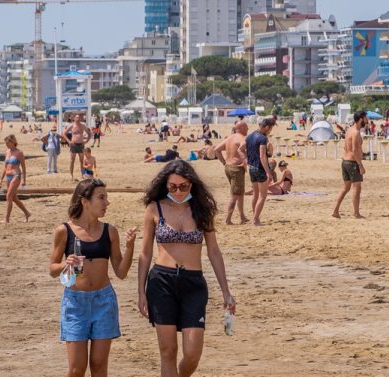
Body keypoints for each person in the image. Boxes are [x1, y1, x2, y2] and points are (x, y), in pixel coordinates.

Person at [137, 160, 236, 377]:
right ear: (165, 186)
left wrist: (226, 292)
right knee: (168, 351)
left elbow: (214, 252)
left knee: (192, 353)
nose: (178, 191)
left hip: (193, 284)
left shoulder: (202, 210)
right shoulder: (155, 209)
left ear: (191, 185)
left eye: (183, 186)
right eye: (173, 187)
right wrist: (141, 292)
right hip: (161, 282)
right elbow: (144, 253)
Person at [49, 179, 137, 377]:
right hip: (75, 302)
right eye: (102, 197)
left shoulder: (109, 231)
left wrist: (130, 247)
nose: (107, 203)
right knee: (76, 368)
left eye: (106, 197)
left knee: (98, 366)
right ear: (85, 201)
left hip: (104, 301)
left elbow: (121, 272)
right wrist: (66, 264)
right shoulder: (64, 231)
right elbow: (52, 269)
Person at [332, 111, 367, 219]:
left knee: (346, 187)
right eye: (366, 118)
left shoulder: (349, 130)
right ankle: (356, 213)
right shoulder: (356, 133)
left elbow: (346, 147)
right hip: (353, 163)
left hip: (345, 162)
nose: (367, 120)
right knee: (356, 188)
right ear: (361, 119)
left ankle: (335, 210)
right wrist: (360, 165)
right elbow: (354, 149)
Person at [241, 118, 275, 226]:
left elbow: (240, 149)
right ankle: (255, 219)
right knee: (263, 196)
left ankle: (255, 217)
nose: (270, 132)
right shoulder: (263, 138)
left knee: (255, 195)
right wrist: (268, 172)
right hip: (260, 168)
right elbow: (262, 156)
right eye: (270, 129)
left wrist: (246, 161)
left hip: (252, 168)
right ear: (266, 127)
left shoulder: (250, 136)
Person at [215, 120, 249, 225]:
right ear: (241, 128)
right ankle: (227, 219)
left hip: (228, 167)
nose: (248, 129)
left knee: (240, 193)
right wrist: (246, 160)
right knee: (235, 194)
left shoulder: (230, 137)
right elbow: (242, 148)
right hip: (236, 168)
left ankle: (242, 217)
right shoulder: (241, 138)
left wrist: (224, 162)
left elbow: (217, 149)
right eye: (246, 127)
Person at [0, 135, 30, 224]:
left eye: (8, 143)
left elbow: (23, 167)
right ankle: (27, 213)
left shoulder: (19, 152)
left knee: (8, 196)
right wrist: (1, 179)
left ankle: (6, 219)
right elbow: (5, 167)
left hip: (16, 175)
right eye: (5, 143)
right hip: (8, 176)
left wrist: (24, 180)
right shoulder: (7, 152)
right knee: (14, 198)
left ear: (13, 142)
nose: (6, 144)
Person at [64, 114, 92, 180]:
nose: (78, 119)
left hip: (81, 145)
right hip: (73, 145)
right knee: (72, 160)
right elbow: (64, 134)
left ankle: (82, 174)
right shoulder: (71, 125)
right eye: (77, 117)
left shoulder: (83, 126)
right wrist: (68, 141)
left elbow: (89, 134)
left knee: (82, 161)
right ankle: (71, 175)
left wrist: (86, 141)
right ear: (74, 118)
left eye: (79, 118)